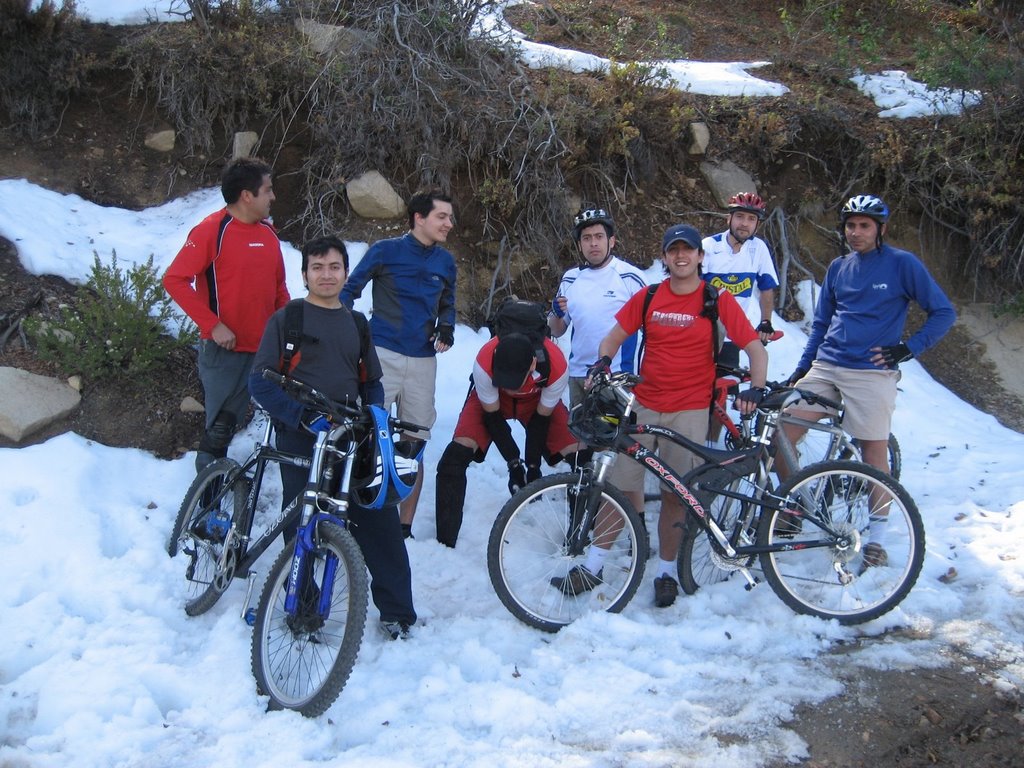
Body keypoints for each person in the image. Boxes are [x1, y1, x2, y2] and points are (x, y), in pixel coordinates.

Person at [554, 223, 768, 608]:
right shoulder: (649, 295)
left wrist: (757, 386)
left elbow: (755, 348)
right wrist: (603, 361)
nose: (681, 256)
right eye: (673, 251)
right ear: (666, 257)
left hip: (688, 410)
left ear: (700, 257)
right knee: (620, 487)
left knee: (675, 494)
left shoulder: (714, 299)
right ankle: (595, 564)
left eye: (688, 250)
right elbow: (614, 336)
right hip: (644, 403)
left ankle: (665, 572)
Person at [248, 236, 416, 641]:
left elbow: (371, 381)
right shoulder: (288, 319)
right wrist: (301, 417)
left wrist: (375, 419)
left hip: (353, 438)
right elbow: (260, 383)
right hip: (301, 438)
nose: (327, 274)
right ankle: (302, 611)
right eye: (318, 267)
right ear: (304, 273)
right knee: (303, 523)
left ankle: (397, 612)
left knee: (380, 522)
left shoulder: (356, 322)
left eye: (335, 266)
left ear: (346, 272)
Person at [780, 194, 956, 568]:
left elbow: (943, 312)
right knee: (782, 432)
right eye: (850, 225)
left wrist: (906, 350)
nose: (856, 232)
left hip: (871, 371)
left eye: (864, 226)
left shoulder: (901, 264)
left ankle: (876, 539)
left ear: (881, 230)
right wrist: (803, 367)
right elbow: (822, 323)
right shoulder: (839, 267)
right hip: (827, 365)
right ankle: (796, 507)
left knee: (873, 452)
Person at [341, 189, 457, 539]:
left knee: (415, 442)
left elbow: (448, 301)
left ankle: (403, 528)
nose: (449, 224)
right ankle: (350, 515)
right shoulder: (385, 250)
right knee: (364, 436)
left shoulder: (446, 262)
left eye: (450, 218)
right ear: (419, 218)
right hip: (382, 355)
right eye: (442, 217)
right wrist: (351, 331)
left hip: (423, 361)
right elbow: (349, 291)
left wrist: (447, 327)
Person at [163, 157, 289, 472]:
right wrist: (212, 325)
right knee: (218, 431)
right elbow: (175, 280)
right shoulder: (211, 230)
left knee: (283, 422)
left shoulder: (269, 234)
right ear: (247, 195)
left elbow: (279, 292)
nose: (272, 197)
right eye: (268, 190)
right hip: (225, 353)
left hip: (264, 352)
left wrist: (289, 333)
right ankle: (204, 513)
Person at [434, 332, 584, 548]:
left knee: (581, 458)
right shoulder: (484, 364)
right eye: (505, 380)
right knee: (452, 460)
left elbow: (540, 423)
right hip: (494, 401)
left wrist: (533, 467)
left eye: (515, 381)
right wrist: (514, 464)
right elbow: (493, 419)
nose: (510, 386)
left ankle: (578, 539)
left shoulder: (557, 367)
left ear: (533, 364)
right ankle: (444, 545)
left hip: (537, 398)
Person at [548, 206, 647, 407]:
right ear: (579, 245)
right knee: (580, 438)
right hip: (578, 375)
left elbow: (652, 327)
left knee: (614, 437)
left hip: (616, 375)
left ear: (611, 241)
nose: (593, 243)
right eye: (586, 238)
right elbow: (556, 331)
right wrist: (556, 315)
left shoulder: (630, 276)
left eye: (599, 236)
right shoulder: (570, 278)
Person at [701, 192, 780, 367]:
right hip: (701, 333)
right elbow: (689, 287)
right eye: (739, 216)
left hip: (732, 335)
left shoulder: (758, 248)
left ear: (757, 225)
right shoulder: (709, 246)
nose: (744, 223)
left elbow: (766, 288)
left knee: (728, 388)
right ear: (728, 219)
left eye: (751, 219)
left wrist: (766, 321)